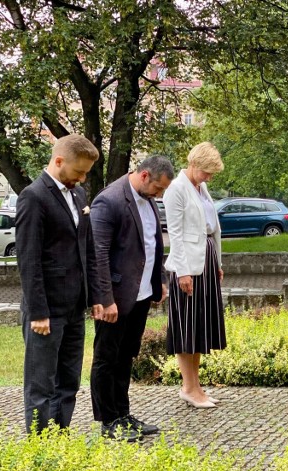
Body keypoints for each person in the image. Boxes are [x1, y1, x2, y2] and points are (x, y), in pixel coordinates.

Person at [16, 133, 104, 433]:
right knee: (41, 385)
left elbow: (86, 250)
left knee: (69, 381)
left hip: (74, 306)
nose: (81, 179)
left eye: (85, 174)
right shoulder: (33, 196)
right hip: (46, 311)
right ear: (58, 161)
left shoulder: (78, 196)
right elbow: (29, 260)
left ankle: (59, 437)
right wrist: (38, 312)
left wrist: (95, 297)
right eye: (78, 172)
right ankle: (40, 447)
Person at [90, 155, 174, 441]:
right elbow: (98, 254)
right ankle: (108, 420)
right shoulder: (110, 200)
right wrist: (104, 298)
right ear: (144, 175)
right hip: (115, 297)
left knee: (126, 356)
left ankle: (123, 415)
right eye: (158, 188)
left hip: (141, 294)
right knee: (106, 358)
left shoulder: (148, 201)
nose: (160, 195)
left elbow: (152, 245)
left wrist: (160, 280)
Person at [163, 142, 225, 409]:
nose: (210, 177)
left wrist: (218, 263)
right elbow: (174, 234)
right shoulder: (176, 189)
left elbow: (212, 228)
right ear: (194, 164)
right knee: (187, 327)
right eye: (207, 172)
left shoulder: (202, 188)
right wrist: (182, 271)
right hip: (187, 266)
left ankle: (195, 386)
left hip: (206, 261)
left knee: (199, 327)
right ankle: (188, 388)